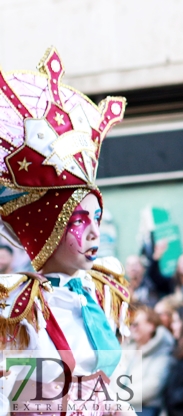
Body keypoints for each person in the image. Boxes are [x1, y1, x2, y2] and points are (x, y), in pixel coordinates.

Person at [0, 48, 130, 414]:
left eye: (97, 218)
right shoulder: (15, 308)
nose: (94, 234)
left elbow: (121, 389)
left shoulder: (105, 293)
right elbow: (13, 396)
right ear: (46, 233)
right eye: (78, 221)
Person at [121, 302, 175, 416]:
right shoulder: (127, 347)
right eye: (130, 324)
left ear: (151, 326)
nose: (132, 328)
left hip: (145, 409)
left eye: (136, 324)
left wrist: (117, 396)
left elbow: (152, 386)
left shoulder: (163, 352)